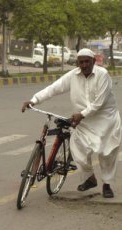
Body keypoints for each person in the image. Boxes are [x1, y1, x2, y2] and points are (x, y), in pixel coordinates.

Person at [22, 48, 121, 198]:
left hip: (106, 120)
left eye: (87, 61)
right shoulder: (73, 75)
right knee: (77, 148)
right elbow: (54, 88)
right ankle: (89, 178)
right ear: (77, 63)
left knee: (107, 153)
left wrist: (81, 115)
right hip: (84, 121)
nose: (84, 65)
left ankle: (107, 184)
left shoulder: (103, 75)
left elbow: (99, 103)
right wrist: (34, 100)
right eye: (81, 62)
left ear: (94, 61)